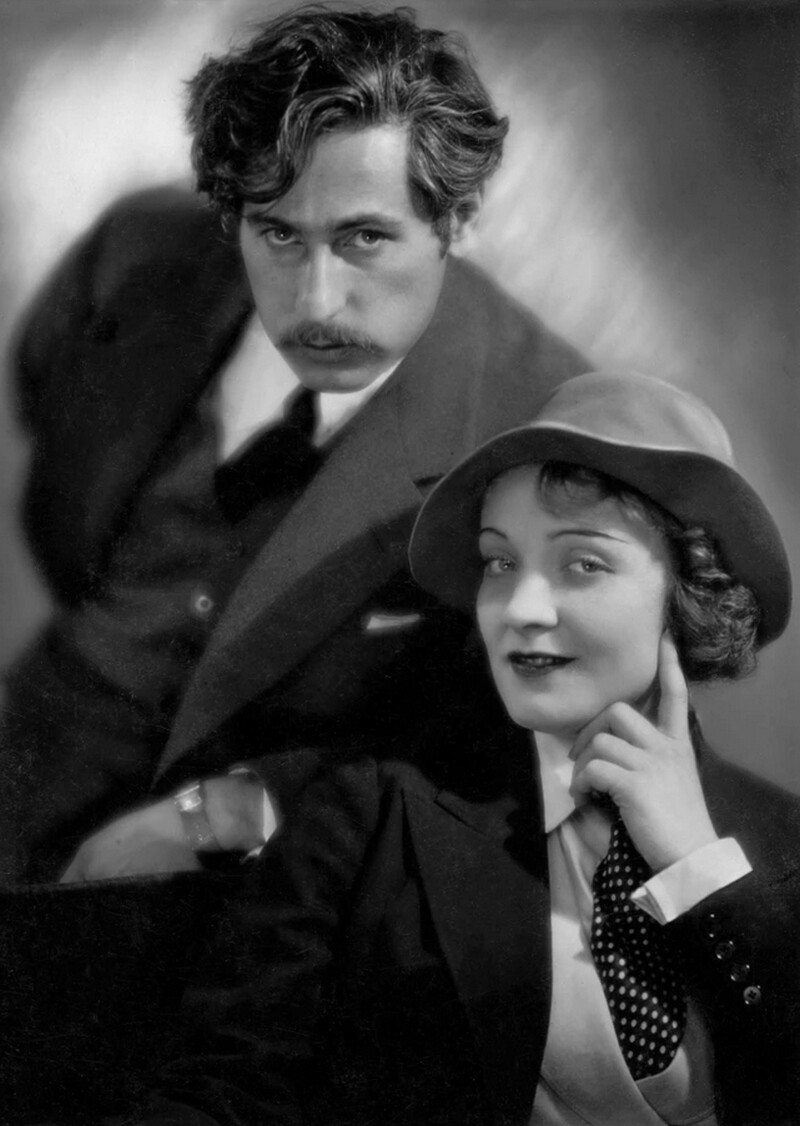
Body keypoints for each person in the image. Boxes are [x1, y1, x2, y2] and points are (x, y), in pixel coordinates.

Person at [0, 5, 585, 883]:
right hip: (46, 729)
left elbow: (510, 759)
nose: (315, 303)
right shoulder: (136, 257)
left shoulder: (543, 423)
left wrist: (238, 808)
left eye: (364, 238)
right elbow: (48, 406)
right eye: (277, 232)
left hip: (289, 855)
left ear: (457, 221)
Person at [128, 372, 799, 1125]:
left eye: (583, 563)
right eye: (500, 562)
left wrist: (699, 869)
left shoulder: (785, 845)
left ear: (690, 594)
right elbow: (224, 1094)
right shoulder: (368, 814)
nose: (521, 609)